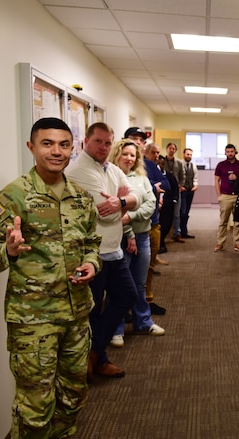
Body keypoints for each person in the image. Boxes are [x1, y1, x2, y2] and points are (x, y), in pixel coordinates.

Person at [0, 117, 102, 438]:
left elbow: (90, 242)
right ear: (32, 147)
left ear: (73, 148)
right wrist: (10, 252)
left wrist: (91, 264)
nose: (56, 152)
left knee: (72, 398)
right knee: (35, 408)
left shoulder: (80, 197)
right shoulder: (14, 196)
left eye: (64, 144)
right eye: (47, 144)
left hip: (76, 316)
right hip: (34, 322)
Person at [66, 122, 141, 379]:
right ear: (85, 141)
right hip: (91, 255)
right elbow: (106, 215)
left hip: (113, 251)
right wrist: (123, 204)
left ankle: (95, 353)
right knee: (92, 309)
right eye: (98, 141)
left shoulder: (110, 169)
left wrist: (120, 202)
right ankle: (93, 358)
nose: (104, 147)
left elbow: (137, 197)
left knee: (126, 296)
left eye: (108, 143)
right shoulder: (79, 170)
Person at [108, 139, 166, 348]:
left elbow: (151, 205)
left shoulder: (141, 178)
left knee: (139, 284)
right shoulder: (110, 176)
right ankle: (117, 328)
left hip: (142, 237)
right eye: (125, 154)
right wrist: (129, 232)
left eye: (133, 155)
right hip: (121, 239)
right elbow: (115, 213)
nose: (129, 158)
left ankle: (143, 322)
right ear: (116, 154)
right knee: (120, 286)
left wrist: (132, 218)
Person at [141, 142, 170, 315]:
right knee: (133, 271)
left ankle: (147, 300)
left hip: (153, 221)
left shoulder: (152, 165)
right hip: (133, 226)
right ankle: (133, 305)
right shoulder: (120, 167)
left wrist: (151, 186)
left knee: (149, 266)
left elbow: (166, 184)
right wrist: (152, 186)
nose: (157, 155)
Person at [213, 143, 239, 252]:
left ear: (235, 152)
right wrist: (219, 195)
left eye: (232, 151)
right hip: (225, 196)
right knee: (223, 221)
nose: (230, 153)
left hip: (238, 195)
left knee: (237, 221)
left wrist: (237, 178)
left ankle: (237, 243)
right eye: (228, 152)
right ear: (225, 153)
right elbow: (216, 180)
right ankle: (220, 243)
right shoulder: (221, 165)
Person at [159, 142, 185, 244]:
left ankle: (176, 234)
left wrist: (180, 186)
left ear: (175, 150)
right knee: (163, 213)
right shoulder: (161, 160)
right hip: (163, 189)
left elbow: (182, 175)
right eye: (170, 148)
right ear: (167, 149)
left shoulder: (179, 162)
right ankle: (162, 235)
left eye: (174, 148)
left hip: (175, 190)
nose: (172, 150)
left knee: (176, 213)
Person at [157, 155, 179, 254]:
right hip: (155, 206)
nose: (160, 165)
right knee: (156, 226)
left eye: (162, 163)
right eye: (158, 163)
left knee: (166, 225)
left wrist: (174, 200)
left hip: (168, 205)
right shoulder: (152, 176)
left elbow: (175, 189)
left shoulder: (169, 176)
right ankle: (160, 244)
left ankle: (161, 242)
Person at [179, 147, 198, 239]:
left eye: (191, 155)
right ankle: (179, 231)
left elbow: (195, 177)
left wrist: (195, 185)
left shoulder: (193, 165)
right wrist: (180, 186)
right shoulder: (179, 164)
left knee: (186, 212)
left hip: (190, 191)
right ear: (184, 154)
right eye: (187, 154)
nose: (189, 156)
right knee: (182, 212)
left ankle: (184, 231)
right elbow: (176, 176)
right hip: (182, 191)